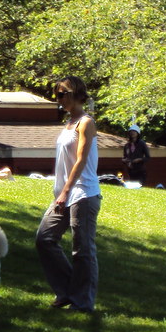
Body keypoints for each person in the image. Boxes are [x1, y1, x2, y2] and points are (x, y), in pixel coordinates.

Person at [35, 76, 102, 313]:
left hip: (83, 193)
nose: (58, 99)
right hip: (64, 194)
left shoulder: (86, 122)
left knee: (82, 249)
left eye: (61, 94)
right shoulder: (68, 123)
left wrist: (65, 191)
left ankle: (83, 302)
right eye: (56, 95)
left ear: (73, 93)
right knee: (44, 239)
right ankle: (66, 292)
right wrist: (61, 193)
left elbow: (82, 160)